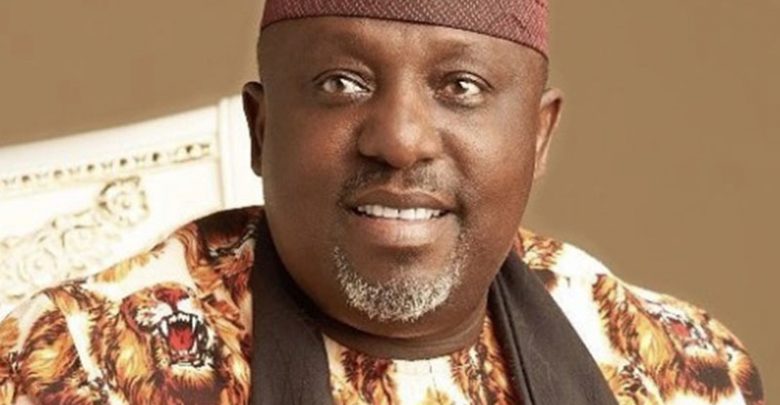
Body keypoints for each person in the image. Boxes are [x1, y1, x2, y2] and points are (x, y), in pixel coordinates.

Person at [0, 1, 764, 404]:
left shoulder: (680, 370)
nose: (399, 141)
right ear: (261, 130)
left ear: (538, 137)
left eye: (461, 86)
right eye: (342, 83)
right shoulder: (81, 364)